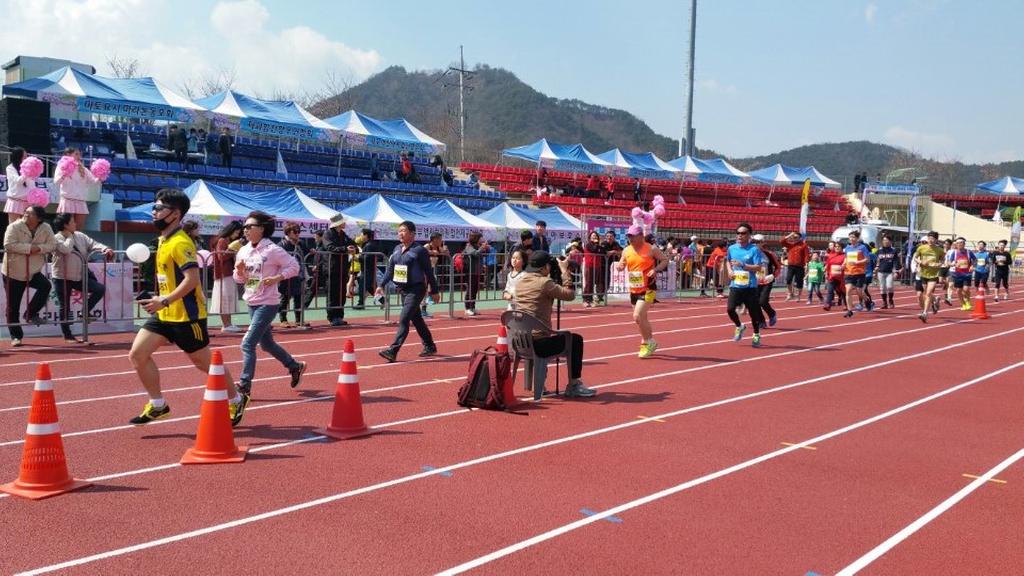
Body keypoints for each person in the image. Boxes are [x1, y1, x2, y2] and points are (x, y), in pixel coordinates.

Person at [128, 188, 247, 426]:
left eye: (159, 208)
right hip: (165, 313)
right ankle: (158, 405)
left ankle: (236, 399)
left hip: (187, 315)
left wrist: (164, 300)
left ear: (175, 214)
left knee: (205, 364)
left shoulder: (181, 242)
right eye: (154, 207)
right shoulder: (164, 240)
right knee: (138, 355)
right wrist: (159, 298)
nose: (154, 212)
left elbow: (191, 280)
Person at [233, 211, 307, 396]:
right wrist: (240, 271)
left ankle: (244, 385)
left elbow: (294, 266)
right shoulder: (243, 250)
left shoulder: (273, 250)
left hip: (268, 303)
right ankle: (294, 366)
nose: (245, 230)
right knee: (266, 344)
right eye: (244, 227)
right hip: (252, 300)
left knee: (247, 344)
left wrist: (277, 277)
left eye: (250, 226)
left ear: (262, 229)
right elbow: (239, 279)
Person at [514, 251, 595, 397]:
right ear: (545, 267)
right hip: (539, 344)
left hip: (520, 342)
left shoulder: (520, 282)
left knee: (544, 335)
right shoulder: (545, 283)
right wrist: (564, 271)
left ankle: (536, 384)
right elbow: (570, 294)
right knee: (575, 340)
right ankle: (574, 384)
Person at [376, 221, 439, 362]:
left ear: (412, 233)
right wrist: (381, 285)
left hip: (416, 289)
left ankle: (393, 350)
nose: (400, 233)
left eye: (403, 231)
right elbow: (390, 270)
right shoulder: (397, 249)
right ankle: (429, 345)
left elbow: (429, 272)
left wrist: (434, 291)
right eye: (399, 231)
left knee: (404, 318)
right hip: (403, 290)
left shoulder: (419, 250)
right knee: (417, 319)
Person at [51, 213, 112, 344]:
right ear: (66, 225)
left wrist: (105, 248)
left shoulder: (80, 235)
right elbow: (66, 249)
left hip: (79, 276)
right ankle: (68, 336)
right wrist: (69, 236)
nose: (75, 223)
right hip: (62, 277)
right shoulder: (55, 238)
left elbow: (93, 244)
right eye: (72, 222)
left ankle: (84, 312)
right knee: (64, 307)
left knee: (100, 289)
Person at [2, 206, 56, 347]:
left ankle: (30, 313)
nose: (26, 214)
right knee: (13, 306)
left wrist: (39, 248)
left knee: (45, 285)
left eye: (30, 213)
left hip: (33, 270)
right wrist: (29, 249)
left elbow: (52, 244)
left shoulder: (46, 228)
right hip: (14, 271)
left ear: (39, 218)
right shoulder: (14, 226)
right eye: (25, 212)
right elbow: (8, 245)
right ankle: (16, 336)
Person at [616, 225, 669, 358]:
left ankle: (648, 342)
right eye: (629, 236)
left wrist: (655, 270)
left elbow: (665, 260)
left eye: (633, 236)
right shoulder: (626, 250)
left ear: (641, 236)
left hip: (648, 288)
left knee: (637, 316)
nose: (630, 238)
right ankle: (649, 340)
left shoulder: (651, 248)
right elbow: (621, 264)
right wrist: (620, 266)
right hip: (634, 288)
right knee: (641, 319)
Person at [725, 223, 766, 347]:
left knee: (754, 314)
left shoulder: (754, 250)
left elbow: (758, 267)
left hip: (750, 287)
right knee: (730, 309)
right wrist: (730, 271)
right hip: (736, 285)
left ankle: (756, 334)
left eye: (743, 233)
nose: (740, 235)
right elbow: (728, 261)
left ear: (749, 235)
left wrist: (743, 265)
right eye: (738, 233)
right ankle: (739, 326)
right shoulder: (732, 248)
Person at [210, 220, 243, 333]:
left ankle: (228, 324)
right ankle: (226, 325)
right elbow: (221, 257)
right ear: (231, 230)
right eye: (236, 232)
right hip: (223, 274)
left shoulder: (226, 240)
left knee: (228, 299)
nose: (237, 235)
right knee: (224, 300)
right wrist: (232, 249)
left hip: (228, 273)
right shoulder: (222, 240)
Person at [53, 147, 98, 230]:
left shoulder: (84, 169)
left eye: (79, 154)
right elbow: (56, 182)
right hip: (68, 201)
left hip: (80, 201)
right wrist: (64, 174)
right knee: (66, 228)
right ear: (68, 155)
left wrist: (100, 177)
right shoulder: (61, 167)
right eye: (76, 154)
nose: (79, 156)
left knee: (78, 229)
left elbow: (93, 182)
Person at [323, 213, 355, 326]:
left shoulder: (343, 234)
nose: (344, 223)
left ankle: (339, 316)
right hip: (332, 268)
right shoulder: (328, 234)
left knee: (341, 293)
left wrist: (353, 248)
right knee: (332, 293)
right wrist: (345, 249)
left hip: (343, 267)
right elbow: (330, 247)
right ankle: (332, 317)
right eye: (342, 222)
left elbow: (352, 243)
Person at [278, 222, 309, 328]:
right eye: (295, 232)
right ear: (288, 232)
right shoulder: (282, 244)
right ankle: (283, 319)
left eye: (298, 231)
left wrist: (312, 251)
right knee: (285, 297)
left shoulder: (300, 243)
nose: (297, 234)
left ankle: (298, 320)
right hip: (285, 274)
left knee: (298, 297)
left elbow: (308, 252)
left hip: (298, 274)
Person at [913, 231, 945, 322]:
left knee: (928, 293)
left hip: (933, 274)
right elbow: (915, 257)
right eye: (929, 238)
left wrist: (939, 264)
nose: (930, 240)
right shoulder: (921, 248)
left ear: (936, 240)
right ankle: (935, 300)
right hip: (923, 273)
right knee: (926, 294)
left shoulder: (939, 250)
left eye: (933, 239)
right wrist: (920, 262)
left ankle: (925, 313)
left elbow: (943, 260)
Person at [752, 234, 781, 327]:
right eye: (754, 242)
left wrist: (773, 275)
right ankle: (761, 321)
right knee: (754, 303)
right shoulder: (749, 254)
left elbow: (778, 267)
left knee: (763, 301)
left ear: (762, 243)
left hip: (766, 281)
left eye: (758, 242)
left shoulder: (769, 254)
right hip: (754, 282)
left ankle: (772, 314)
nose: (755, 244)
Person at [842, 230, 872, 318]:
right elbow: (846, 258)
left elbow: (867, 259)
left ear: (857, 238)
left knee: (859, 291)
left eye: (853, 237)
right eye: (850, 237)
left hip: (859, 272)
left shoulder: (862, 247)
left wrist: (857, 262)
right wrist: (843, 264)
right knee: (848, 290)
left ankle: (867, 301)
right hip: (848, 272)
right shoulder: (847, 248)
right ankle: (849, 310)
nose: (851, 239)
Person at [422, 232, 450, 318]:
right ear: (434, 239)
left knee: (429, 289)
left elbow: (447, 254)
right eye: (440, 239)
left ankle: (424, 308)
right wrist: (431, 252)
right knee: (423, 290)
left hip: (430, 270)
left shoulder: (439, 247)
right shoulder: (427, 246)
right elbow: (421, 252)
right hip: (422, 270)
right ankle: (421, 310)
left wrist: (445, 250)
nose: (441, 241)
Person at [5, 147, 34, 224]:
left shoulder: (28, 168)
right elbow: (18, 181)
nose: (26, 159)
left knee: (26, 228)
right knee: (13, 227)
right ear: (18, 157)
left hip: (27, 203)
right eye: (24, 157)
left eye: (27, 157)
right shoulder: (10, 168)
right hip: (15, 202)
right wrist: (26, 172)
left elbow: (32, 185)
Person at [355, 228, 381, 309]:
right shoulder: (369, 244)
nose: (360, 236)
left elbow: (367, 258)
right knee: (370, 288)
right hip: (368, 269)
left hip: (367, 270)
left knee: (362, 287)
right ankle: (383, 301)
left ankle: (360, 304)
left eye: (361, 235)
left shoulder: (369, 245)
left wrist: (357, 258)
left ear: (366, 235)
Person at [947, 237, 975, 311]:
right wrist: (952, 264)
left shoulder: (969, 252)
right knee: (959, 290)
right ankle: (963, 304)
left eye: (961, 243)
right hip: (958, 274)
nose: (959, 244)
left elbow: (975, 260)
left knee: (966, 289)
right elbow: (949, 262)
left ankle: (968, 301)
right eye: (958, 243)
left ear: (964, 244)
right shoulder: (955, 252)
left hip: (967, 274)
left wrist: (972, 266)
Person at [781, 232, 810, 302]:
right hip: (791, 265)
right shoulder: (790, 244)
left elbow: (806, 255)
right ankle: (790, 293)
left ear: (800, 238)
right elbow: (781, 241)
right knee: (788, 279)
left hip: (800, 266)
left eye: (796, 237)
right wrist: (789, 235)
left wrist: (806, 264)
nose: (794, 238)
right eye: (793, 237)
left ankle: (798, 296)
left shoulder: (804, 245)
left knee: (799, 282)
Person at [460, 231, 484, 317]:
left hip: (477, 271)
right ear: (475, 239)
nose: (481, 240)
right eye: (480, 238)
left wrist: (484, 248)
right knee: (470, 290)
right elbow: (475, 253)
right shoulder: (469, 246)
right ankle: (467, 308)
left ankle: (472, 307)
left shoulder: (477, 246)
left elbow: (481, 254)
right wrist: (481, 248)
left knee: (475, 290)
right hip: (470, 271)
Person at [875, 235, 901, 309]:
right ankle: (884, 302)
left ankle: (890, 300)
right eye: (884, 240)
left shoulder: (894, 250)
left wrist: (896, 271)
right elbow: (876, 260)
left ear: (890, 241)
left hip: (890, 272)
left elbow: (896, 261)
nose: (885, 242)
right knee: (882, 288)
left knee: (889, 286)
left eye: (887, 240)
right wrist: (875, 268)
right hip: (881, 271)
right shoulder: (879, 250)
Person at [582, 231, 607, 307]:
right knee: (589, 283)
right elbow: (594, 250)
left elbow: (603, 252)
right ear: (590, 237)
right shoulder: (588, 244)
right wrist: (596, 244)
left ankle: (591, 299)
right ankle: (586, 300)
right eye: (593, 236)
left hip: (597, 266)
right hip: (589, 266)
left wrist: (599, 245)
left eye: (596, 236)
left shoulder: (598, 245)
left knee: (593, 284)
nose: (595, 237)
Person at [824, 243, 847, 311]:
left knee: (843, 291)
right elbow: (828, 265)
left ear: (842, 248)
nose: (837, 248)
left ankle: (846, 304)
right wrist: (826, 273)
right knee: (830, 290)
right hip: (832, 276)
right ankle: (828, 304)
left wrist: (844, 266)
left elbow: (847, 265)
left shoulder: (844, 256)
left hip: (841, 277)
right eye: (836, 246)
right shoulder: (831, 256)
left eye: (839, 246)